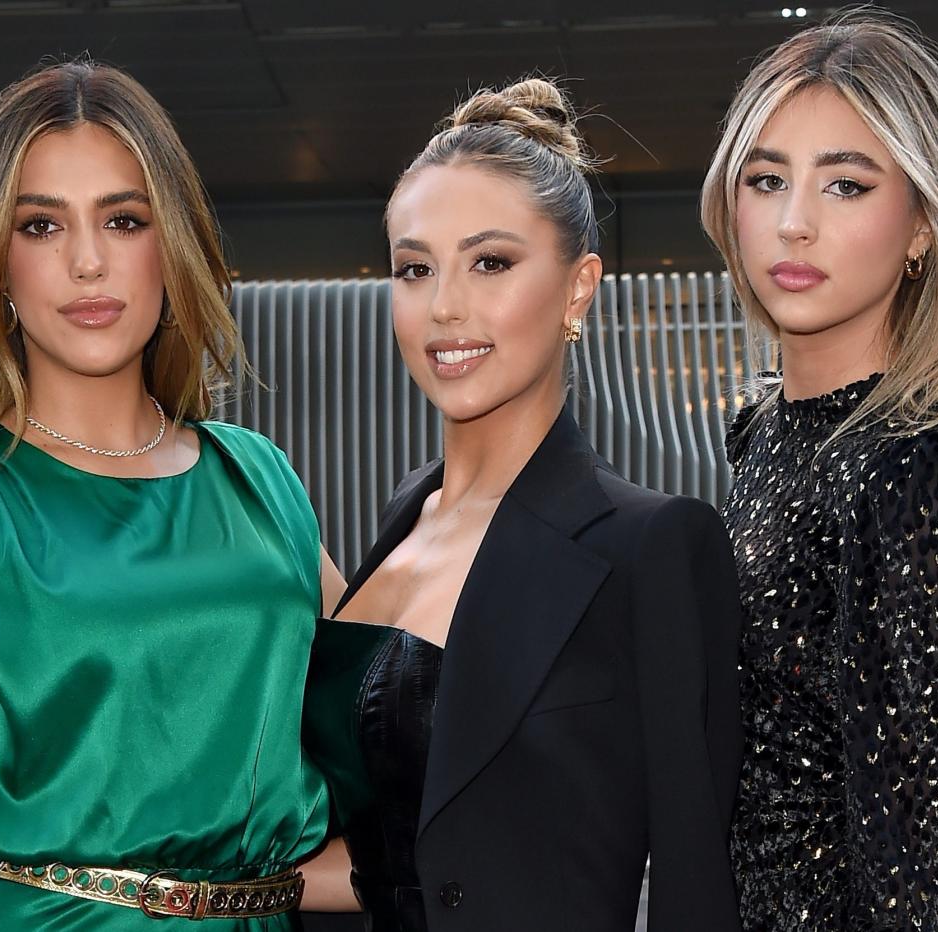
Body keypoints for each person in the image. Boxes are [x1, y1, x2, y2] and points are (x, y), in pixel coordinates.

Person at [0, 60, 346, 930]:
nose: (87, 262)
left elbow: (386, 722)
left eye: (123, 220)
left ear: (172, 246)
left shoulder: (259, 480)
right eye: (41, 226)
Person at [302, 77, 745, 932]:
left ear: (579, 288)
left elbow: (696, 884)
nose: (445, 307)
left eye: (491, 262)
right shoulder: (405, 520)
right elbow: (381, 857)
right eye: (414, 269)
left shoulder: (653, 546)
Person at [700, 10, 938, 931]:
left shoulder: (934, 473)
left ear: (923, 223)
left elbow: (913, 871)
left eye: (845, 185)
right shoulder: (765, 434)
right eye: (765, 180)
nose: (794, 221)